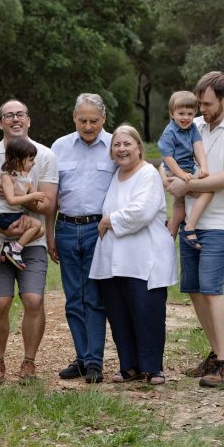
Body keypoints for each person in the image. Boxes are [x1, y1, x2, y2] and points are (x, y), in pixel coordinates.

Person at [165, 71, 224, 388]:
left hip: (219, 221)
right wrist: (172, 181)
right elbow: (174, 158)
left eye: (206, 103)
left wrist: (188, 186)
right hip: (192, 216)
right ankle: (216, 355)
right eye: (199, 103)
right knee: (193, 288)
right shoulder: (195, 126)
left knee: (212, 288)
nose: (201, 109)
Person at [0, 99, 58, 384]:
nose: (15, 119)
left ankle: (29, 362)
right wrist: (8, 229)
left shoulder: (44, 155)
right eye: (8, 115)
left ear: (29, 120)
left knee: (34, 300)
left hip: (31, 241)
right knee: (0, 303)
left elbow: (48, 205)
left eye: (20, 114)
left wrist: (28, 216)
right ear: (0, 123)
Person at [90, 124, 177, 385]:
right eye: (117, 145)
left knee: (146, 311)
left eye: (127, 144)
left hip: (143, 257)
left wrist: (108, 222)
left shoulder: (147, 174)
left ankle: (152, 368)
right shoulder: (116, 176)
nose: (122, 149)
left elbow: (141, 212)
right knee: (119, 313)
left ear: (139, 148)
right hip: (114, 259)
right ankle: (129, 366)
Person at [49, 93, 116, 384]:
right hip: (65, 228)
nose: (88, 126)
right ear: (74, 118)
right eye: (82, 120)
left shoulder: (116, 145)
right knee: (74, 297)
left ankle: (95, 362)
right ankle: (81, 356)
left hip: (97, 230)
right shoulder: (59, 147)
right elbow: (51, 195)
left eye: (94, 120)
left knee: (95, 297)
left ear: (103, 119)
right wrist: (50, 234)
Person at [158, 90, 211, 248]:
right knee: (207, 192)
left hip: (187, 170)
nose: (186, 118)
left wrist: (204, 166)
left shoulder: (192, 127)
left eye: (190, 113)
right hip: (175, 172)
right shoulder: (169, 132)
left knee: (179, 211)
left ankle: (166, 245)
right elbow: (168, 158)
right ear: (172, 114)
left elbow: (198, 146)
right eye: (181, 113)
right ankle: (190, 227)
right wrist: (181, 175)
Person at [0, 138, 47, 270]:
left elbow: (34, 198)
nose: (34, 163)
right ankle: (14, 250)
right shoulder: (7, 176)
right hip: (4, 215)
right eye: (30, 160)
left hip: (15, 214)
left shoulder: (25, 175)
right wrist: (33, 195)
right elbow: (11, 200)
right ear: (18, 160)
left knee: (40, 231)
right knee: (37, 225)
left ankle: (10, 246)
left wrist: (37, 199)